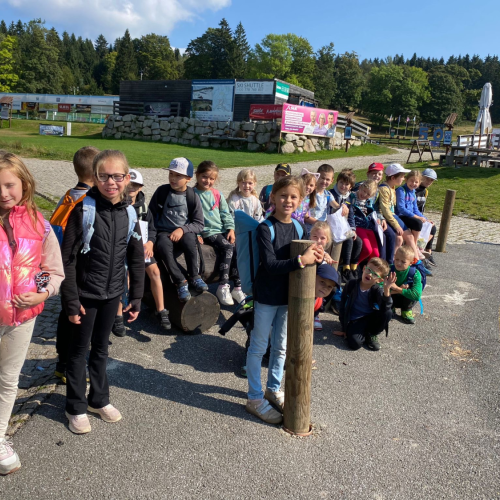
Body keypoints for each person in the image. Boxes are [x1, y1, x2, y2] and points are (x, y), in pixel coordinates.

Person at [61, 150, 145, 434]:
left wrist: (135, 297)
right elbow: (67, 259)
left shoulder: (130, 211)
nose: (111, 182)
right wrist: (71, 299)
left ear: (126, 177)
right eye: (104, 176)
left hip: (112, 294)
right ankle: (75, 406)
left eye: (117, 176)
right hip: (84, 295)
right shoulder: (82, 209)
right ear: (94, 177)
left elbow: (135, 257)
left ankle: (99, 399)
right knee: (77, 352)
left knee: (101, 349)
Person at [0, 153, 64, 475]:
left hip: (21, 320)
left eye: (9, 185)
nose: (2, 193)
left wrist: (41, 291)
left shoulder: (40, 224)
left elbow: (48, 270)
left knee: (8, 379)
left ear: (24, 184)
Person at [246, 176, 324, 424]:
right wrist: (302, 261)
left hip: (288, 298)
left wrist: (319, 257)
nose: (287, 200)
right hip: (267, 297)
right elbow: (269, 265)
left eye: (293, 197)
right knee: (259, 346)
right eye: (283, 195)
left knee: (280, 347)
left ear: (300, 200)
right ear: (273, 197)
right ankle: (254, 398)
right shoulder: (265, 228)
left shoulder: (300, 228)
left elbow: (309, 257)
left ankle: (273, 388)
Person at [52, 146, 100, 384]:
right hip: (78, 269)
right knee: (78, 318)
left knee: (65, 314)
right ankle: (74, 365)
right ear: (96, 172)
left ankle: (61, 363)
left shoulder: (67, 195)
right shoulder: (87, 201)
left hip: (59, 264)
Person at [111, 169, 171, 336]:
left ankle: (161, 310)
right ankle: (118, 315)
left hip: (142, 249)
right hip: (123, 251)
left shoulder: (145, 208)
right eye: (130, 185)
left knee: (155, 272)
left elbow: (152, 228)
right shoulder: (117, 205)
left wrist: (151, 242)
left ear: (140, 187)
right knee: (125, 276)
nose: (132, 188)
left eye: (136, 186)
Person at [149, 157, 207, 302]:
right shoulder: (162, 192)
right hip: (164, 232)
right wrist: (151, 238)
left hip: (183, 232)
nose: (173, 178)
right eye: (171, 174)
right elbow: (150, 216)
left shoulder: (192, 196)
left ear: (188, 178)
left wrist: (182, 229)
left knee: (189, 239)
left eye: (178, 175)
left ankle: (194, 276)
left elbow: (199, 223)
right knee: (162, 245)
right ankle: (180, 281)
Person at [194, 161, 245, 306]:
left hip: (222, 230)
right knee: (227, 248)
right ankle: (222, 285)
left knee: (237, 247)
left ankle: (238, 286)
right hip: (207, 231)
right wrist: (196, 233)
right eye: (204, 177)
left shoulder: (217, 194)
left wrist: (231, 229)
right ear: (197, 175)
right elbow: (190, 216)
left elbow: (225, 213)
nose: (208, 181)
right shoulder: (193, 194)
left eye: (211, 179)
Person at [335, 257, 396, 352]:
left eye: (375, 274)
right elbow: (342, 306)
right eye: (369, 270)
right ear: (364, 269)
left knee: (388, 312)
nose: (370, 274)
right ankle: (364, 334)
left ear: (379, 280)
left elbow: (385, 308)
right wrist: (344, 327)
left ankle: (371, 334)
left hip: (370, 318)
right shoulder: (351, 285)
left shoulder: (377, 290)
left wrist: (386, 290)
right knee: (354, 344)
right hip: (355, 320)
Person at [376, 163, 422, 263]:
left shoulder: (392, 188)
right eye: (401, 176)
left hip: (393, 216)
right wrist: (396, 225)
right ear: (393, 177)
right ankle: (417, 262)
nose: (403, 179)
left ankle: (410, 260)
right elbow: (386, 210)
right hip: (390, 217)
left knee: (401, 238)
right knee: (408, 237)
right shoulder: (384, 189)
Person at [332, 169, 362, 283]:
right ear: (337, 182)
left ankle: (354, 268)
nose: (343, 186)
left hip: (345, 227)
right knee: (348, 240)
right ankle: (346, 268)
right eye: (341, 183)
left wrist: (353, 229)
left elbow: (351, 216)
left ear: (350, 187)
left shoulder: (349, 198)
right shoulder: (332, 194)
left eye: (346, 184)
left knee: (358, 241)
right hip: (334, 227)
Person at [396, 170, 431, 265]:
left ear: (419, 183)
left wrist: (425, 219)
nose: (413, 184)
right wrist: (417, 217)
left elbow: (415, 209)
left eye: (416, 182)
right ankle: (415, 247)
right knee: (418, 223)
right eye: (411, 181)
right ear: (406, 180)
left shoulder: (413, 192)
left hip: (410, 215)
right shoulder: (401, 190)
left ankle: (420, 247)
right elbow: (401, 208)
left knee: (431, 226)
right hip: (401, 216)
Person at [310, 221, 338, 330]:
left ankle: (316, 314)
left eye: (322, 238)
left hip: (319, 286)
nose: (318, 241)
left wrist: (326, 260)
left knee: (333, 289)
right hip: (308, 284)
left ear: (327, 241)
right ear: (310, 236)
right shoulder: (305, 249)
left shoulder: (326, 255)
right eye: (315, 236)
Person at [347, 179, 381, 266]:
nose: (364, 194)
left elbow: (372, 212)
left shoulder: (368, 202)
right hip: (357, 225)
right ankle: (354, 266)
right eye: (364, 191)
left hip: (368, 226)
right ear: (360, 187)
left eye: (368, 194)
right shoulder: (352, 197)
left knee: (376, 254)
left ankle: (369, 271)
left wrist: (378, 218)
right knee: (367, 250)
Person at [389, 245, 423, 325]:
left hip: (406, 300)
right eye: (396, 259)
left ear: (411, 263)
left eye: (403, 261)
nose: (398, 263)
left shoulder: (415, 273)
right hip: (391, 297)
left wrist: (397, 288)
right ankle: (390, 307)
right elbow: (379, 289)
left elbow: (417, 295)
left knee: (412, 290)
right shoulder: (389, 269)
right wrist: (399, 289)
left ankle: (406, 310)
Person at [304, 163, 337, 234]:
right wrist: (319, 223)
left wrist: (343, 206)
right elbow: (305, 216)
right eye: (322, 178)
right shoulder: (309, 193)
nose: (324, 181)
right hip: (310, 229)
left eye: (327, 179)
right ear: (317, 176)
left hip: (323, 229)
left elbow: (336, 206)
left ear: (331, 181)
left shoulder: (328, 194)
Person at [415, 168, 438, 266]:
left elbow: (422, 208)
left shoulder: (425, 192)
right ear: (421, 177)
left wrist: (426, 219)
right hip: (413, 216)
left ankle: (428, 251)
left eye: (431, 180)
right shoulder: (415, 189)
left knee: (432, 227)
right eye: (427, 179)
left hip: (419, 215)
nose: (429, 182)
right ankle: (420, 249)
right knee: (420, 226)